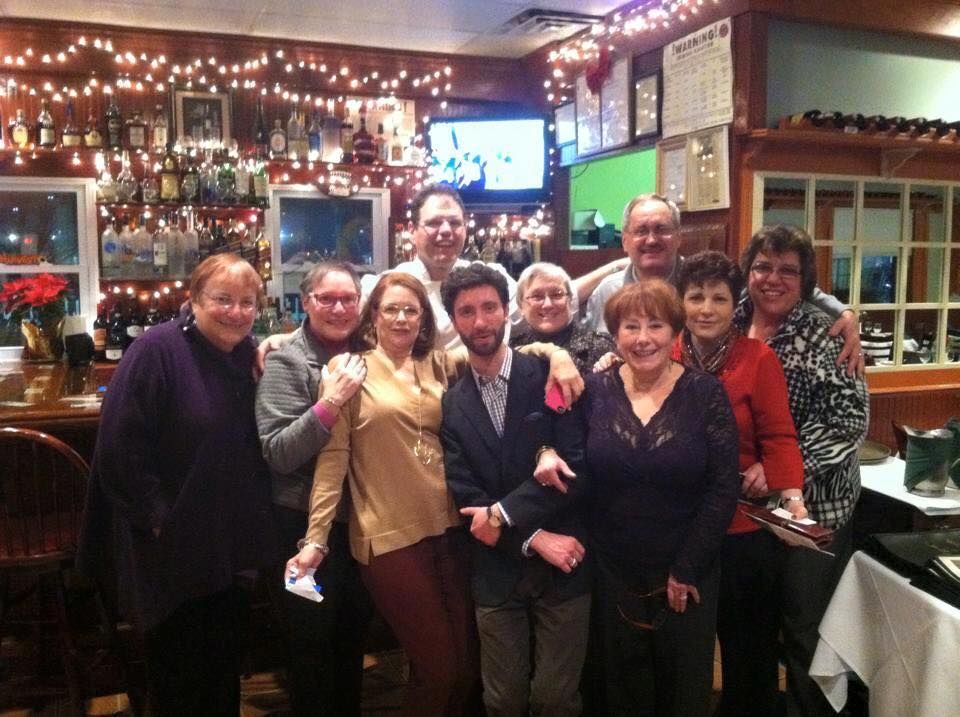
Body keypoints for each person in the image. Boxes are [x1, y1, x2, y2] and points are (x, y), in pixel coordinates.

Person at [78, 255, 276, 715]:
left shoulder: (245, 354)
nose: (236, 312)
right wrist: (159, 520)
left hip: (227, 543)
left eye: (247, 302)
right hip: (169, 547)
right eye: (222, 299)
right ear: (195, 299)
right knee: (178, 676)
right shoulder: (156, 350)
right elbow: (119, 449)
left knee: (222, 671)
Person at [439, 264, 592, 716]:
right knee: (502, 701)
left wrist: (502, 513)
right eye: (466, 312)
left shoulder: (548, 373)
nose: (480, 321)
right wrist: (531, 537)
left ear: (508, 311)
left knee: (555, 699)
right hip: (498, 570)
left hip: (565, 566)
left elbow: (577, 467)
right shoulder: (452, 403)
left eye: (489, 307)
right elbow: (468, 500)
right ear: (453, 320)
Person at [583, 279, 739, 716]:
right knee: (620, 689)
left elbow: (724, 485)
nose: (643, 338)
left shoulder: (705, 393)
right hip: (611, 570)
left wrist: (687, 567)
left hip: (686, 570)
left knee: (682, 690)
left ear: (675, 332)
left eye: (655, 325)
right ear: (615, 335)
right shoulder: (594, 390)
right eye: (630, 326)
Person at [734, 225, 868, 717]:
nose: (773, 279)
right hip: (749, 508)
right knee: (754, 626)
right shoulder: (733, 319)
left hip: (815, 509)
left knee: (805, 630)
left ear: (805, 280)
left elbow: (847, 421)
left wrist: (781, 470)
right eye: (763, 267)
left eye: (787, 270)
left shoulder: (825, 331)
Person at [673, 251, 806, 717]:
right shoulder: (664, 353)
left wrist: (792, 497)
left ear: (736, 305)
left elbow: (780, 436)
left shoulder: (757, 358)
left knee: (749, 650)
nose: (706, 309)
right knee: (685, 650)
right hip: (682, 527)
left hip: (743, 527)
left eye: (719, 298)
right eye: (696, 297)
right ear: (680, 302)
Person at [255, 262, 372, 716]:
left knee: (352, 633)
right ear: (306, 303)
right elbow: (279, 453)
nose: (339, 309)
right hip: (298, 528)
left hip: (358, 523)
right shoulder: (285, 361)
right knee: (308, 639)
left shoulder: (371, 351)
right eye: (327, 299)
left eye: (348, 299)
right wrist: (331, 402)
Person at [579, 192, 865, 375]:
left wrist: (843, 312)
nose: (651, 239)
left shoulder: (702, 281)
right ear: (625, 240)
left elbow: (773, 286)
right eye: (641, 230)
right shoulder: (606, 291)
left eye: (662, 229)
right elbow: (586, 348)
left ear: (678, 237)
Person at [510, 261, 615, 373]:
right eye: (537, 296)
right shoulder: (510, 351)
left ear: (570, 300)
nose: (548, 305)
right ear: (521, 306)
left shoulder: (600, 347)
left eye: (557, 295)